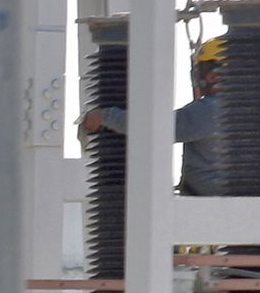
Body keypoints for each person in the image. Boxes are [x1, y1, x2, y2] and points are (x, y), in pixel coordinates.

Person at [80, 35, 226, 196]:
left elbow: (154, 129)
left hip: (210, 204)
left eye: (199, 72)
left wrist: (105, 116)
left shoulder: (210, 110)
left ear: (213, 77)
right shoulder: (246, 109)